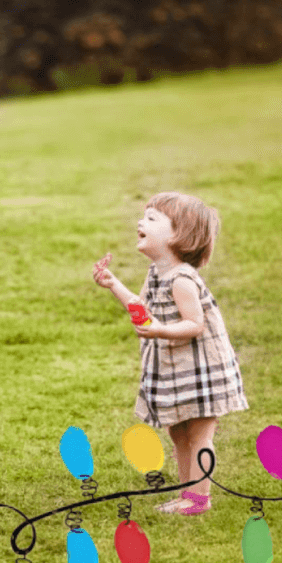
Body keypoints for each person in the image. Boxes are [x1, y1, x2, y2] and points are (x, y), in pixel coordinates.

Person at [91, 192, 248, 515]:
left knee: (199, 434)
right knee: (178, 431)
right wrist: (113, 283)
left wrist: (161, 329)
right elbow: (141, 308)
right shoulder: (156, 272)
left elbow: (194, 324)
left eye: (151, 219)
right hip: (175, 367)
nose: (140, 222)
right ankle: (186, 493)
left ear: (179, 235)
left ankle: (199, 499)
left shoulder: (182, 280)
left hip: (201, 368)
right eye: (143, 216)